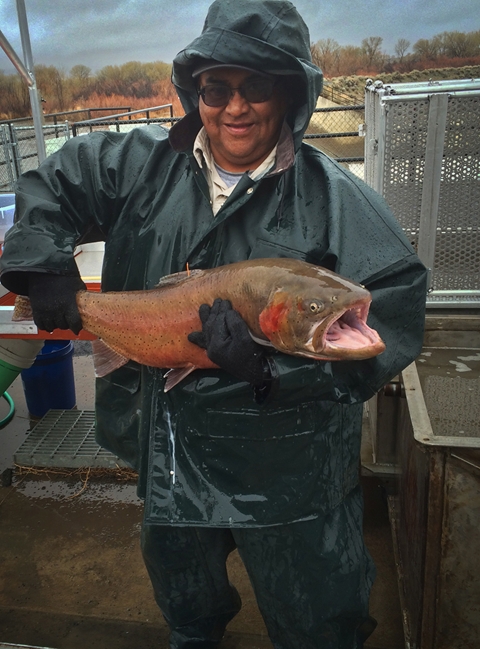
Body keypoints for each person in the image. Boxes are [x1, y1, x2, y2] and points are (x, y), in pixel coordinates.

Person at [0, 1, 428, 647]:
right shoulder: (141, 162)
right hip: (167, 448)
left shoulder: (338, 200)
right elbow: (52, 184)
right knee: (185, 596)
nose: (236, 107)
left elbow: (395, 304)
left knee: (316, 614)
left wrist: (274, 372)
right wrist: (43, 263)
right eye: (216, 88)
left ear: (289, 91)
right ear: (194, 91)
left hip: (287, 474)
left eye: (257, 86)